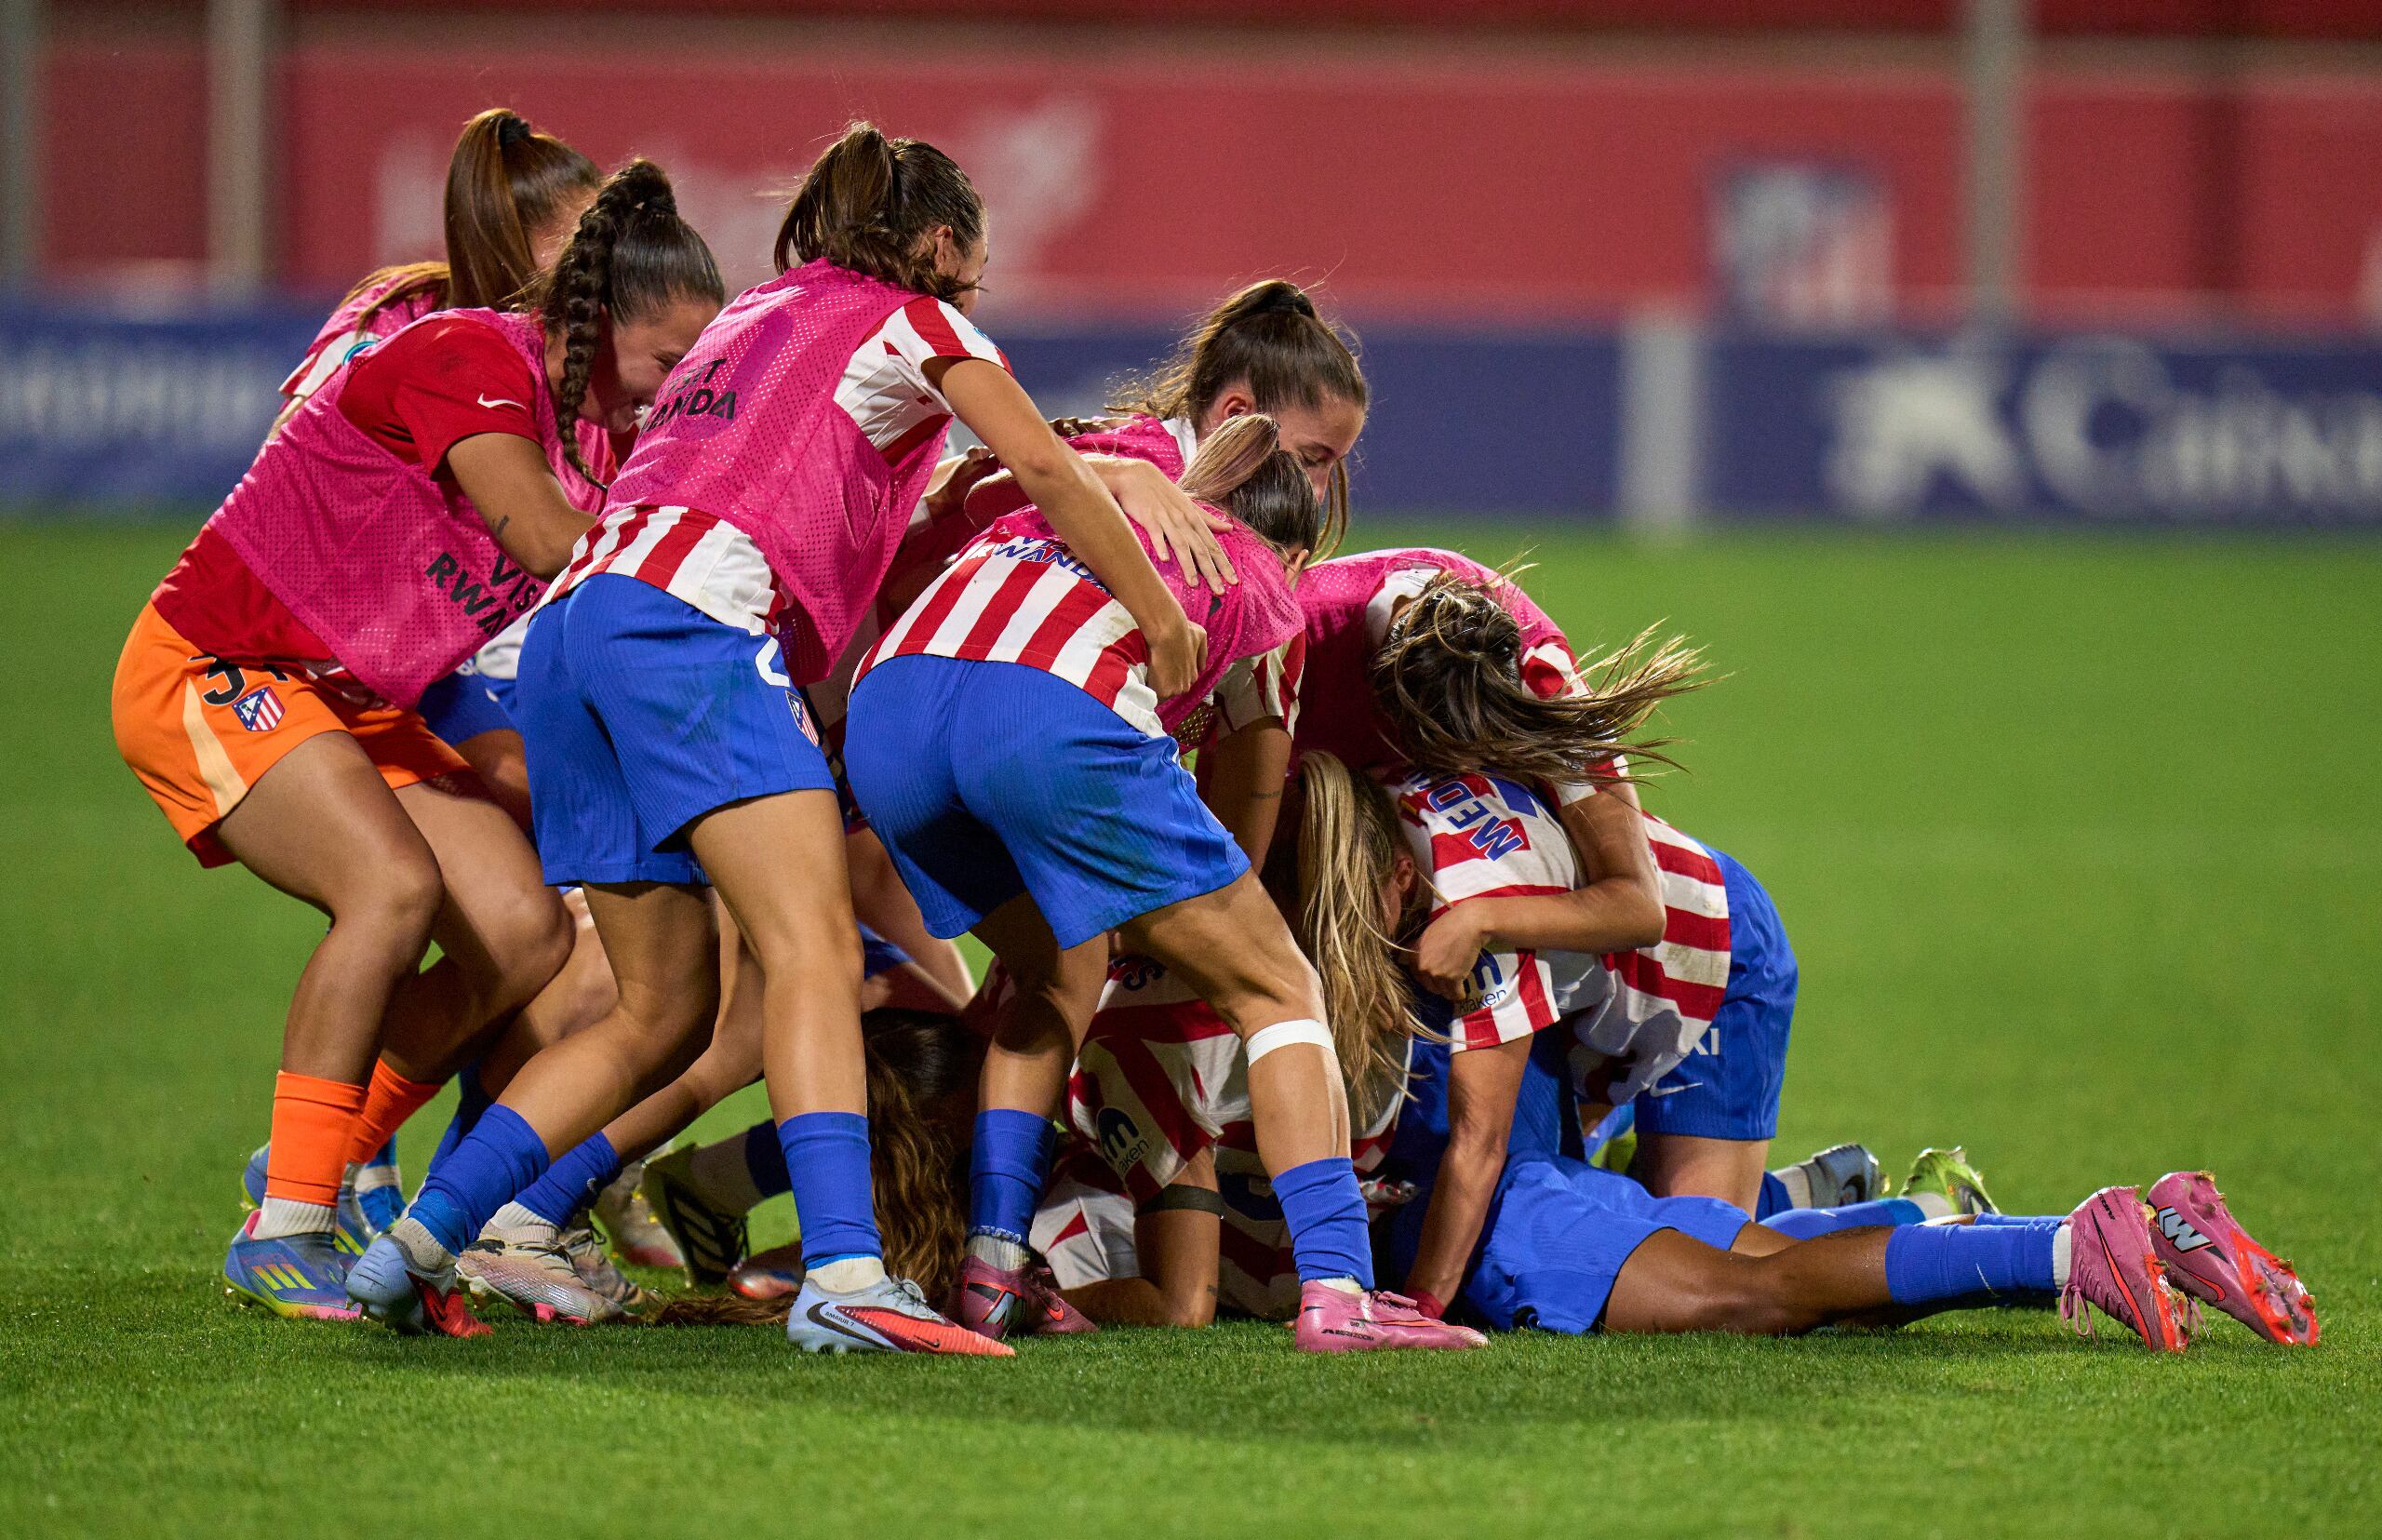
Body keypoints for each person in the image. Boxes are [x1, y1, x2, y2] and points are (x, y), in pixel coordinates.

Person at [352, 122, 1216, 1355]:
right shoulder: (919, 321)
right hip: (691, 626)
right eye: (974, 259)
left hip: (577, 629)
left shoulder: (751, 317)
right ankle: (847, 1275)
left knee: (661, 1010)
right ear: (939, 241)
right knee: (815, 948)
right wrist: (1162, 615)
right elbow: (1037, 465)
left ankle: (419, 1241)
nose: (977, 283)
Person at [110, 158, 723, 1325]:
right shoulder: (469, 354)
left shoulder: (595, 429)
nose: (668, 397)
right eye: (663, 365)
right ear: (594, 324)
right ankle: (285, 1227)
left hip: (358, 699)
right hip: (220, 657)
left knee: (525, 930)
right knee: (389, 887)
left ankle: (325, 1155)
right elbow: (547, 542)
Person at [846, 417, 1479, 1353]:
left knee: (1053, 973)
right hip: (1048, 713)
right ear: (1296, 550)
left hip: (888, 718)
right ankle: (1341, 1289)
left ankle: (991, 1267)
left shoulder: (1070, 508)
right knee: (1277, 986)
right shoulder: (1261, 579)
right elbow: (1245, 806)